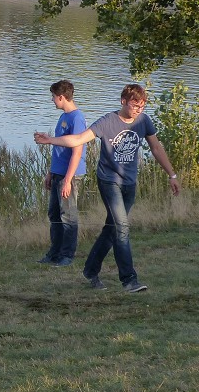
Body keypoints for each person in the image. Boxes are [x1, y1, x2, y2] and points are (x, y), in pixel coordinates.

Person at [34, 83, 180, 292]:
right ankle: (129, 280)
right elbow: (79, 139)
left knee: (112, 229)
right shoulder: (107, 121)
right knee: (122, 229)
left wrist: (172, 175)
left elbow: (156, 148)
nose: (138, 110)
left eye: (142, 106)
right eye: (135, 105)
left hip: (129, 183)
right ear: (123, 101)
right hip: (109, 181)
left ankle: (90, 270)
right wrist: (51, 140)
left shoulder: (144, 121)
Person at [37, 80, 87, 267]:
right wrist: (50, 172)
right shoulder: (63, 117)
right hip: (58, 173)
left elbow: (77, 151)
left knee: (68, 216)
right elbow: (58, 148)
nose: (52, 100)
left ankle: (67, 255)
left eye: (53, 97)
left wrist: (68, 180)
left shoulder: (77, 118)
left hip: (69, 176)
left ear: (61, 97)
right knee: (54, 214)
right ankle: (54, 253)